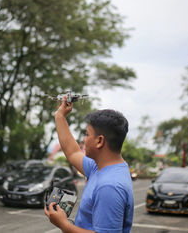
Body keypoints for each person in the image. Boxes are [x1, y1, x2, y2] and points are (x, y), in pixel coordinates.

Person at [44, 96, 134, 233]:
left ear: (99, 141)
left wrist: (64, 224)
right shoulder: (101, 167)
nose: (83, 140)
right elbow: (72, 152)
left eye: (87, 134)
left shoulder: (109, 186)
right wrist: (60, 116)